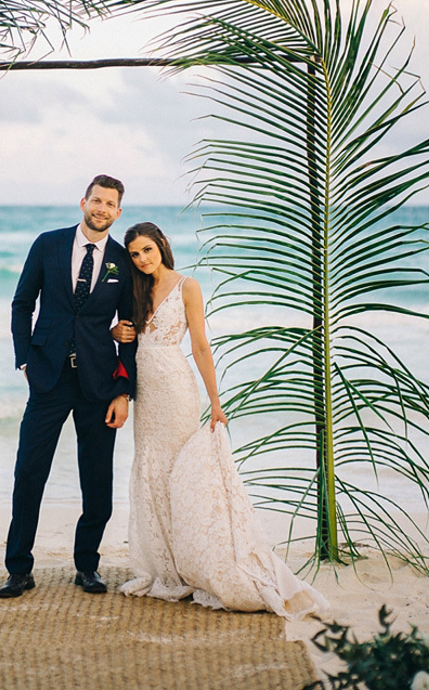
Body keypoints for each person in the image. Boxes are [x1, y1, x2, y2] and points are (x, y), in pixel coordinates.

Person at [112, 222, 328, 620]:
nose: (142, 259)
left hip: (175, 387)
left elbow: (199, 345)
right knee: (152, 471)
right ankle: (167, 566)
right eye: (135, 254)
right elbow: (125, 334)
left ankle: (199, 561)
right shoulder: (134, 289)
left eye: (147, 250)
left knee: (182, 472)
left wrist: (215, 400)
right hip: (147, 392)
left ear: (162, 244)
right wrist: (115, 331)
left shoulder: (187, 286)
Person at [0, 175, 136, 599]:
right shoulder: (48, 244)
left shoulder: (122, 260)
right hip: (48, 378)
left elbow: (129, 328)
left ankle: (87, 565)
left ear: (118, 212)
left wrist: (123, 391)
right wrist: (25, 359)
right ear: (83, 202)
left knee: (97, 478)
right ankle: (19, 569)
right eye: (96, 200)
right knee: (29, 472)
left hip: (99, 382)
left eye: (109, 204)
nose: (101, 208)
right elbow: (22, 304)